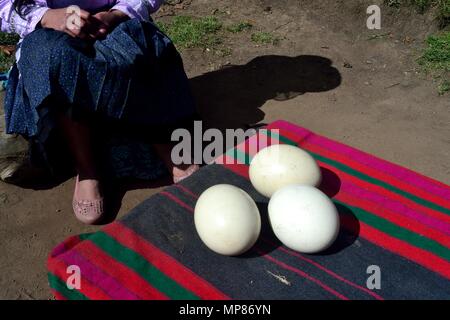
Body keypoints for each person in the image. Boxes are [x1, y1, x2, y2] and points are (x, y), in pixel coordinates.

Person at [0, 0, 200, 224]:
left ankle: (165, 145)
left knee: (134, 43)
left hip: (112, 23)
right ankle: (87, 169)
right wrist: (47, 16)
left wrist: (115, 15)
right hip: (46, 33)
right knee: (57, 57)